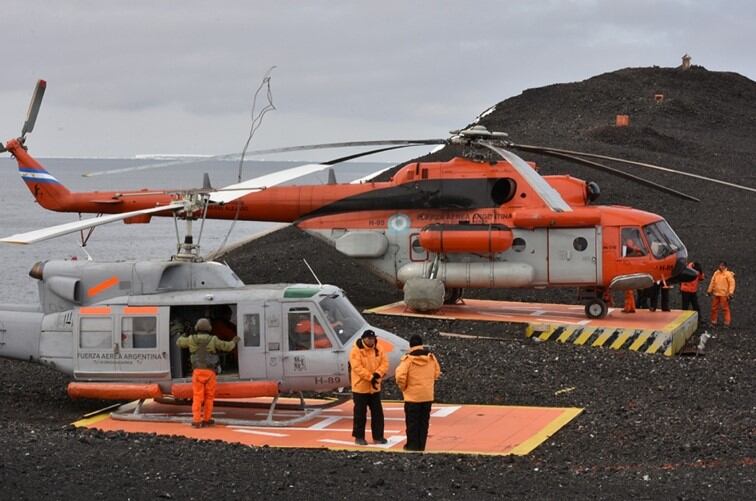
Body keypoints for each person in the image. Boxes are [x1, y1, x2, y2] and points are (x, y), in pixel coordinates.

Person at [176, 318, 240, 428]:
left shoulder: (191, 339)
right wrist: (234, 341)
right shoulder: (213, 339)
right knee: (209, 397)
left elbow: (179, 343)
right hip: (210, 373)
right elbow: (227, 346)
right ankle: (207, 419)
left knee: (197, 397)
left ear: (197, 328)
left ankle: (196, 421)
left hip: (197, 372)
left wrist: (183, 334)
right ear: (209, 328)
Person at [395, 334, 441, 452]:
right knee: (423, 423)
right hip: (427, 396)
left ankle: (412, 446)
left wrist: (403, 387)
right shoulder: (431, 358)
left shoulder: (408, 359)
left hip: (412, 397)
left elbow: (400, 376)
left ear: (410, 345)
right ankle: (421, 446)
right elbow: (437, 373)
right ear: (421, 344)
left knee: (412, 423)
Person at [349, 329, 389, 445]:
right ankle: (359, 437)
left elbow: (385, 363)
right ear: (364, 339)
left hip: (374, 387)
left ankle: (378, 436)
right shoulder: (356, 351)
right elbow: (357, 367)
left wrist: (378, 374)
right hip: (360, 388)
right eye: (369, 339)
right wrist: (370, 377)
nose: (372, 341)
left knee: (378, 414)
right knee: (360, 414)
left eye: (373, 338)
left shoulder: (378, 348)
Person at [707, 261, 736, 328]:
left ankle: (727, 323)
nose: (720, 267)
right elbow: (712, 282)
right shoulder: (716, 273)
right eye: (720, 265)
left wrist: (731, 292)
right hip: (716, 294)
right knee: (714, 308)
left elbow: (732, 284)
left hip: (724, 294)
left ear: (725, 267)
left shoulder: (728, 274)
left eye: (722, 266)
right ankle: (713, 321)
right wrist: (709, 290)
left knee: (725, 308)